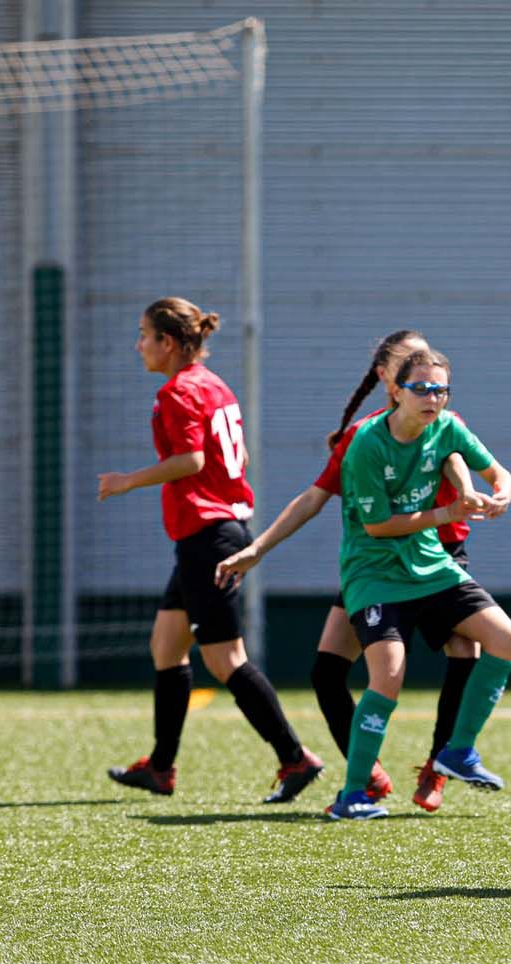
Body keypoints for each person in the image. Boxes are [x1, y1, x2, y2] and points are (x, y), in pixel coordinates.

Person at [215, 330, 482, 813]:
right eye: (410, 364)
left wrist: (471, 490)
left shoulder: (441, 418)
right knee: (326, 671)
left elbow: (460, 459)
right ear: (389, 378)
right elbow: (315, 497)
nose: (426, 380)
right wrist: (258, 548)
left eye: (433, 376)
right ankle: (367, 775)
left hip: (438, 554)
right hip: (377, 565)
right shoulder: (366, 437)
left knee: (468, 648)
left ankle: (439, 765)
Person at [98, 297, 323, 802]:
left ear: (169, 343)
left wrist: (127, 480)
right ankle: (160, 767)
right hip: (212, 531)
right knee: (166, 646)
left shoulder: (177, 391)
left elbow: (193, 459)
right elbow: (235, 453)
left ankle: (294, 757)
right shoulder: (215, 384)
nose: (139, 346)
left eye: (144, 335)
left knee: (226, 660)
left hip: (208, 537)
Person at [324, 345, 511, 820]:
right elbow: (377, 526)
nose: (432, 398)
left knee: (505, 639)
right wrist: (447, 512)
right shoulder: (368, 444)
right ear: (396, 392)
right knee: (388, 676)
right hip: (375, 573)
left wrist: (501, 494)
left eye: (440, 389)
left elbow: (499, 472)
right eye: (422, 389)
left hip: (431, 565)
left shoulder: (447, 426)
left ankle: (458, 751)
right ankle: (352, 794)